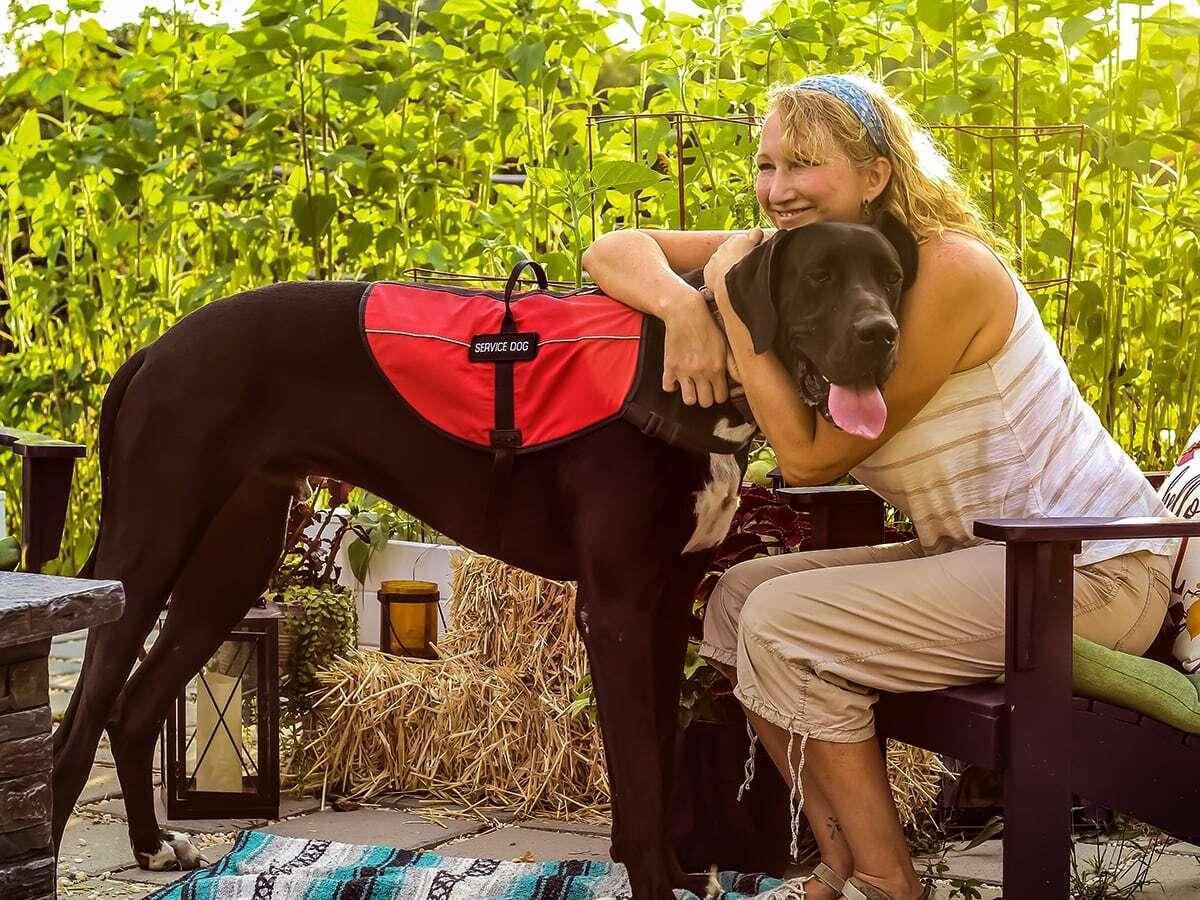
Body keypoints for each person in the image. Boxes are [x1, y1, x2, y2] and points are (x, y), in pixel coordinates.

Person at [580, 72, 1176, 900]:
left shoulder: (950, 272)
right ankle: (841, 860)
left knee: (787, 621)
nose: (778, 191)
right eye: (767, 166)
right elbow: (612, 249)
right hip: (985, 562)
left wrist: (729, 300)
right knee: (736, 602)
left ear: (875, 176)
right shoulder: (805, 259)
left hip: (1092, 571)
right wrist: (684, 312)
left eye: (804, 165)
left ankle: (887, 882)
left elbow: (813, 461)